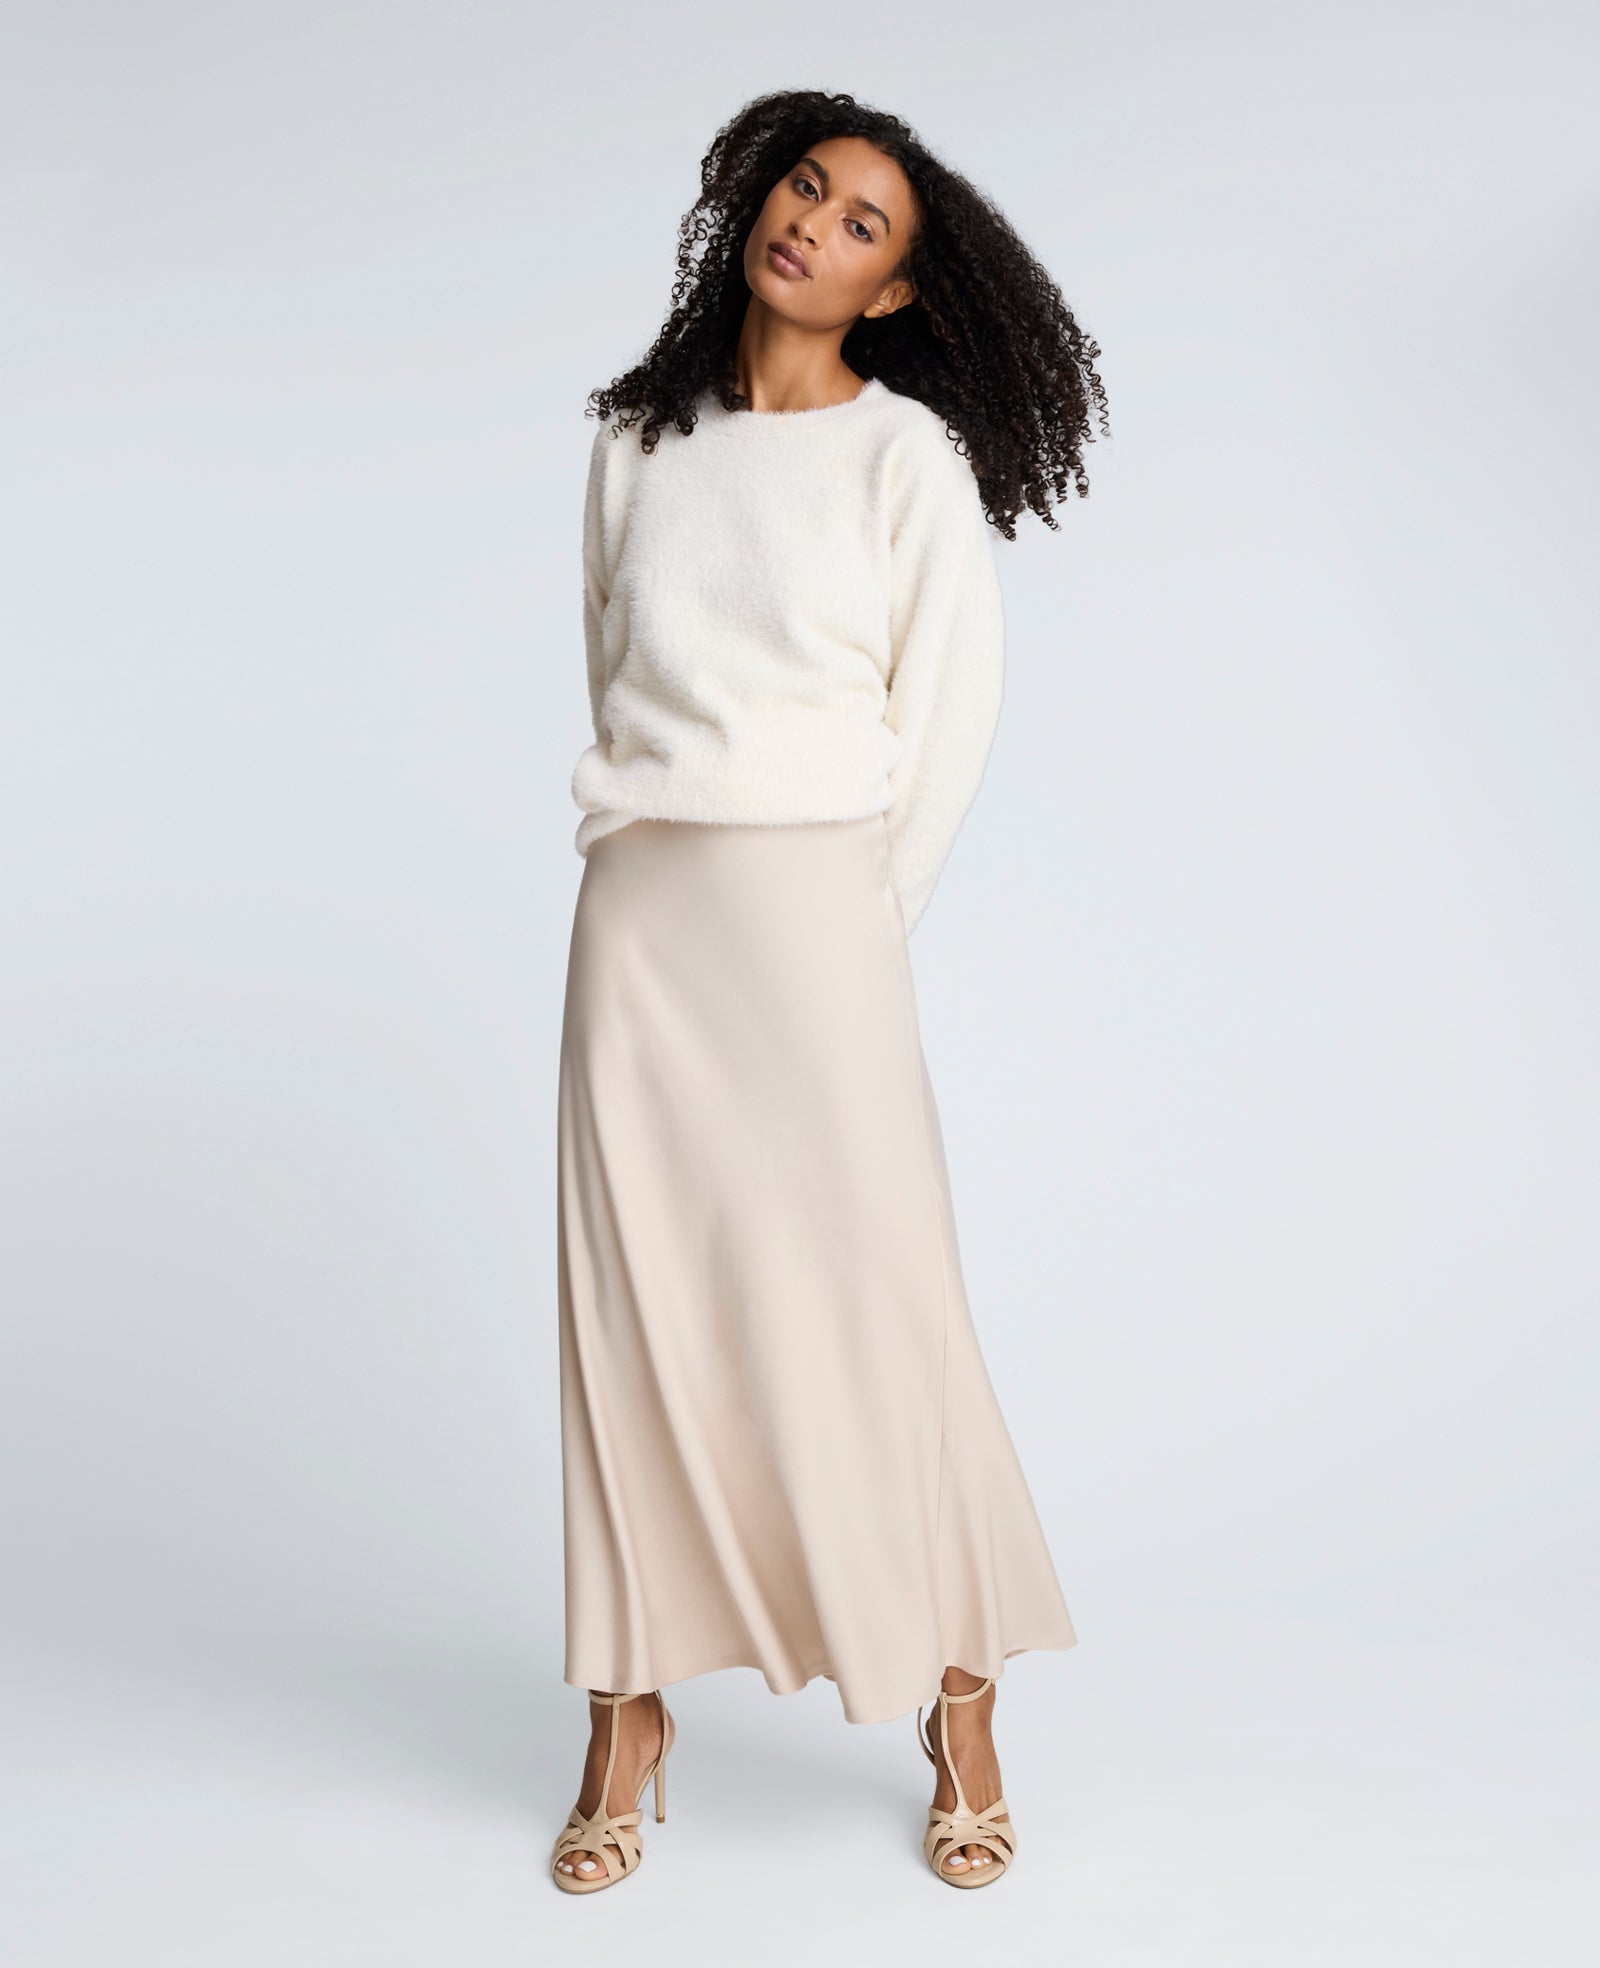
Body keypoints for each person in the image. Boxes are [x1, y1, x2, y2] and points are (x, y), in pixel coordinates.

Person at [549, 88, 1109, 1895]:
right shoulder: (638, 440)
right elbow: (613, 665)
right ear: (755, 200)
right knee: (635, 1313)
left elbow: (946, 719)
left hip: (815, 919)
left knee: (881, 1301)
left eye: (863, 222)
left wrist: (863, 917)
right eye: (806, 188)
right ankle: (626, 1718)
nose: (815, 223)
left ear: (893, 291)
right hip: (644, 916)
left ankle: (961, 1699)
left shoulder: (903, 462)